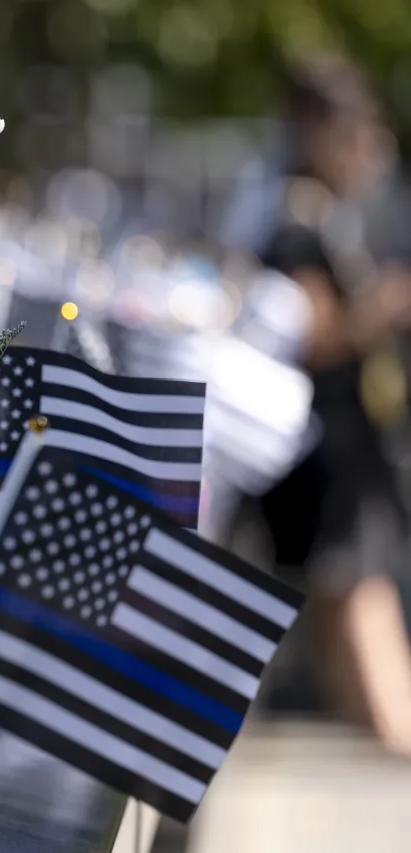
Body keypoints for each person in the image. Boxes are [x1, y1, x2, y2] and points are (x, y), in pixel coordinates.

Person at [257, 55, 411, 753]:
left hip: (337, 447)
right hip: (332, 451)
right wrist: (385, 304)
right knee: (361, 592)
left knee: (344, 602)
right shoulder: (298, 219)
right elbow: (314, 334)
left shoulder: (317, 215)